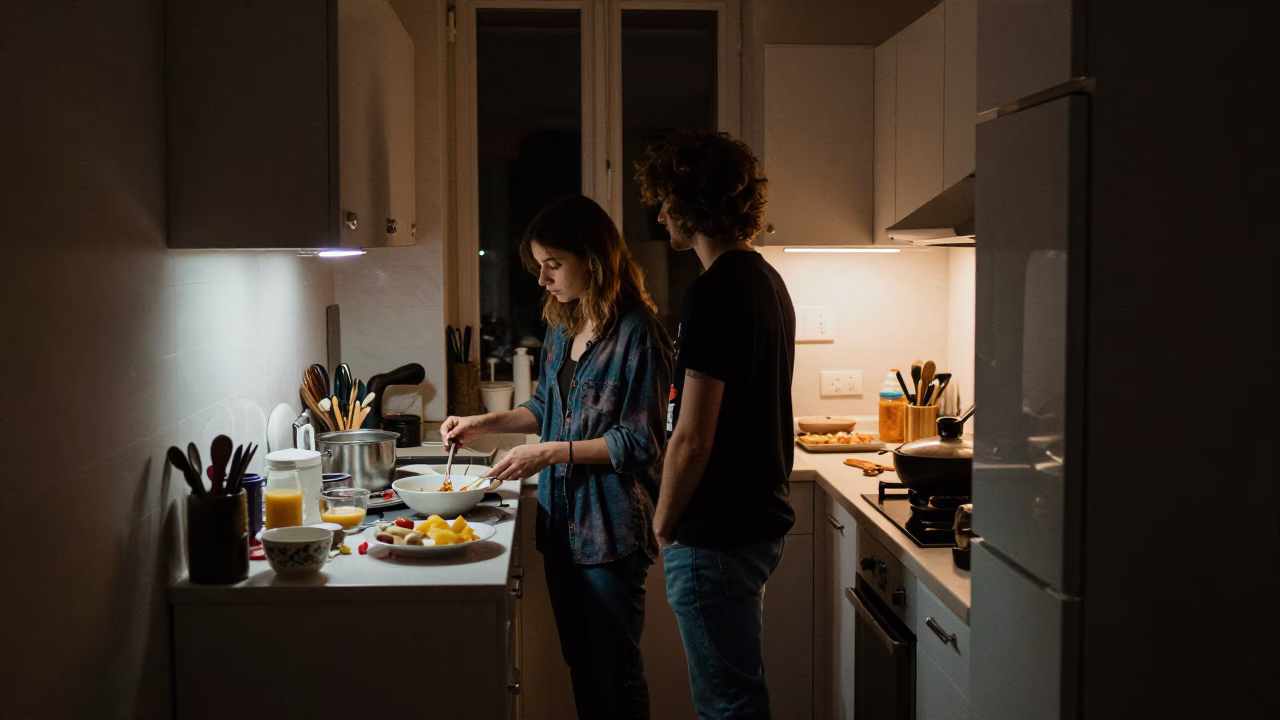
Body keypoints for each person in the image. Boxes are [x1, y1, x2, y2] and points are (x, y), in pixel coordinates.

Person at [441, 194, 672, 720]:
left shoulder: (639, 335)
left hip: (609, 531)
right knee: (581, 666)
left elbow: (638, 443)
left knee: (615, 671)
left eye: (553, 265)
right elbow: (548, 405)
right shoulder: (562, 325)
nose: (543, 281)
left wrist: (548, 454)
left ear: (592, 258)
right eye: (540, 267)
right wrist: (484, 421)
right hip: (561, 524)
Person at [635, 131, 796, 719]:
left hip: (716, 532)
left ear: (689, 205)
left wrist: (663, 519)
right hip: (755, 523)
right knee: (740, 694)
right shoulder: (766, 282)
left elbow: (694, 436)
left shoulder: (714, 291)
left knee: (726, 705)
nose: (658, 214)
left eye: (664, 201)